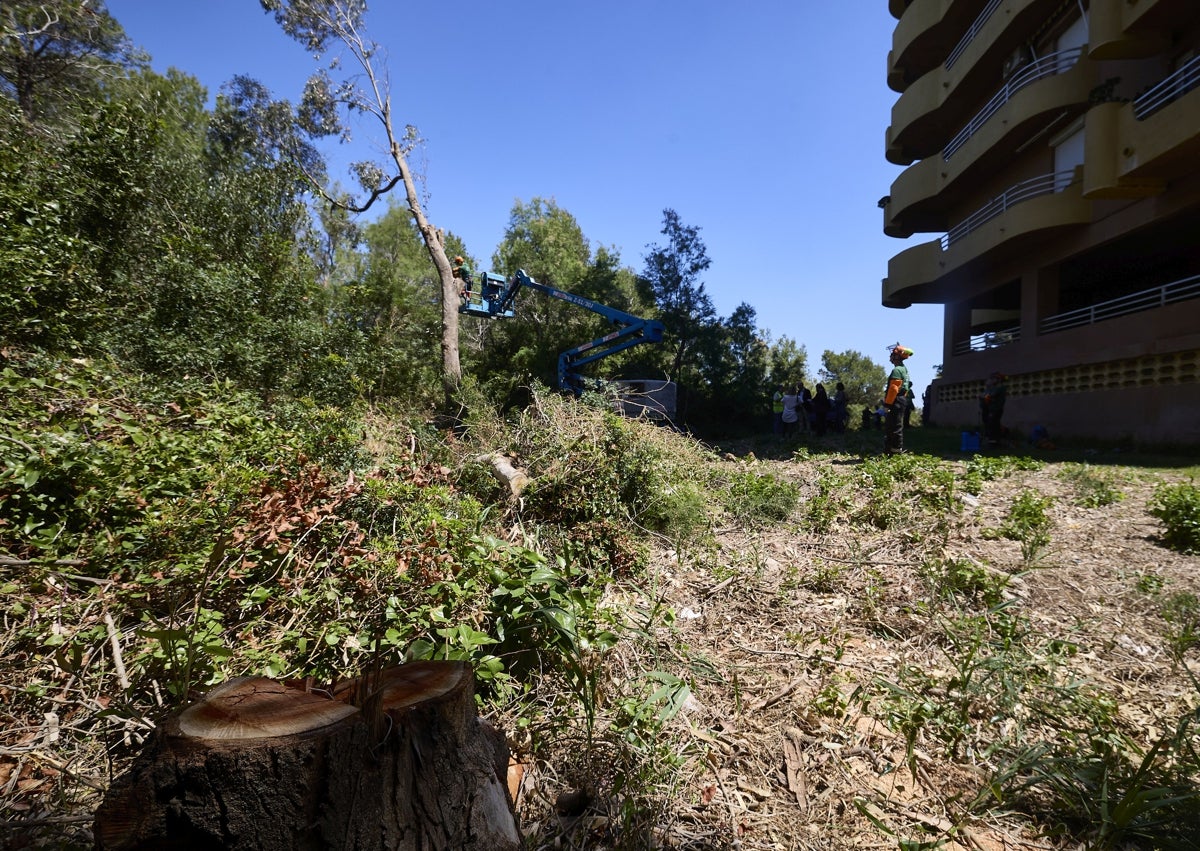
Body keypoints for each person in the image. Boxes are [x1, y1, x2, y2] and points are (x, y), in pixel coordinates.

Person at [883, 343, 914, 455]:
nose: (890, 357)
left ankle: (894, 452)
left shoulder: (897, 370)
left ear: (896, 357)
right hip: (901, 400)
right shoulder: (903, 369)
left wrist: (887, 404)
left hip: (895, 400)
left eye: (892, 354)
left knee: (893, 426)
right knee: (896, 425)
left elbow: (893, 389)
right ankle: (893, 450)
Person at [980, 371, 1007, 447]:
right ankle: (990, 440)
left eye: (993, 379)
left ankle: (994, 442)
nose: (991, 380)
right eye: (991, 379)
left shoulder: (1000, 387)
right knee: (989, 424)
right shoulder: (990, 388)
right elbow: (984, 397)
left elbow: (990, 396)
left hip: (995, 409)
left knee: (993, 425)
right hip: (989, 409)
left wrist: (985, 396)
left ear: (998, 380)